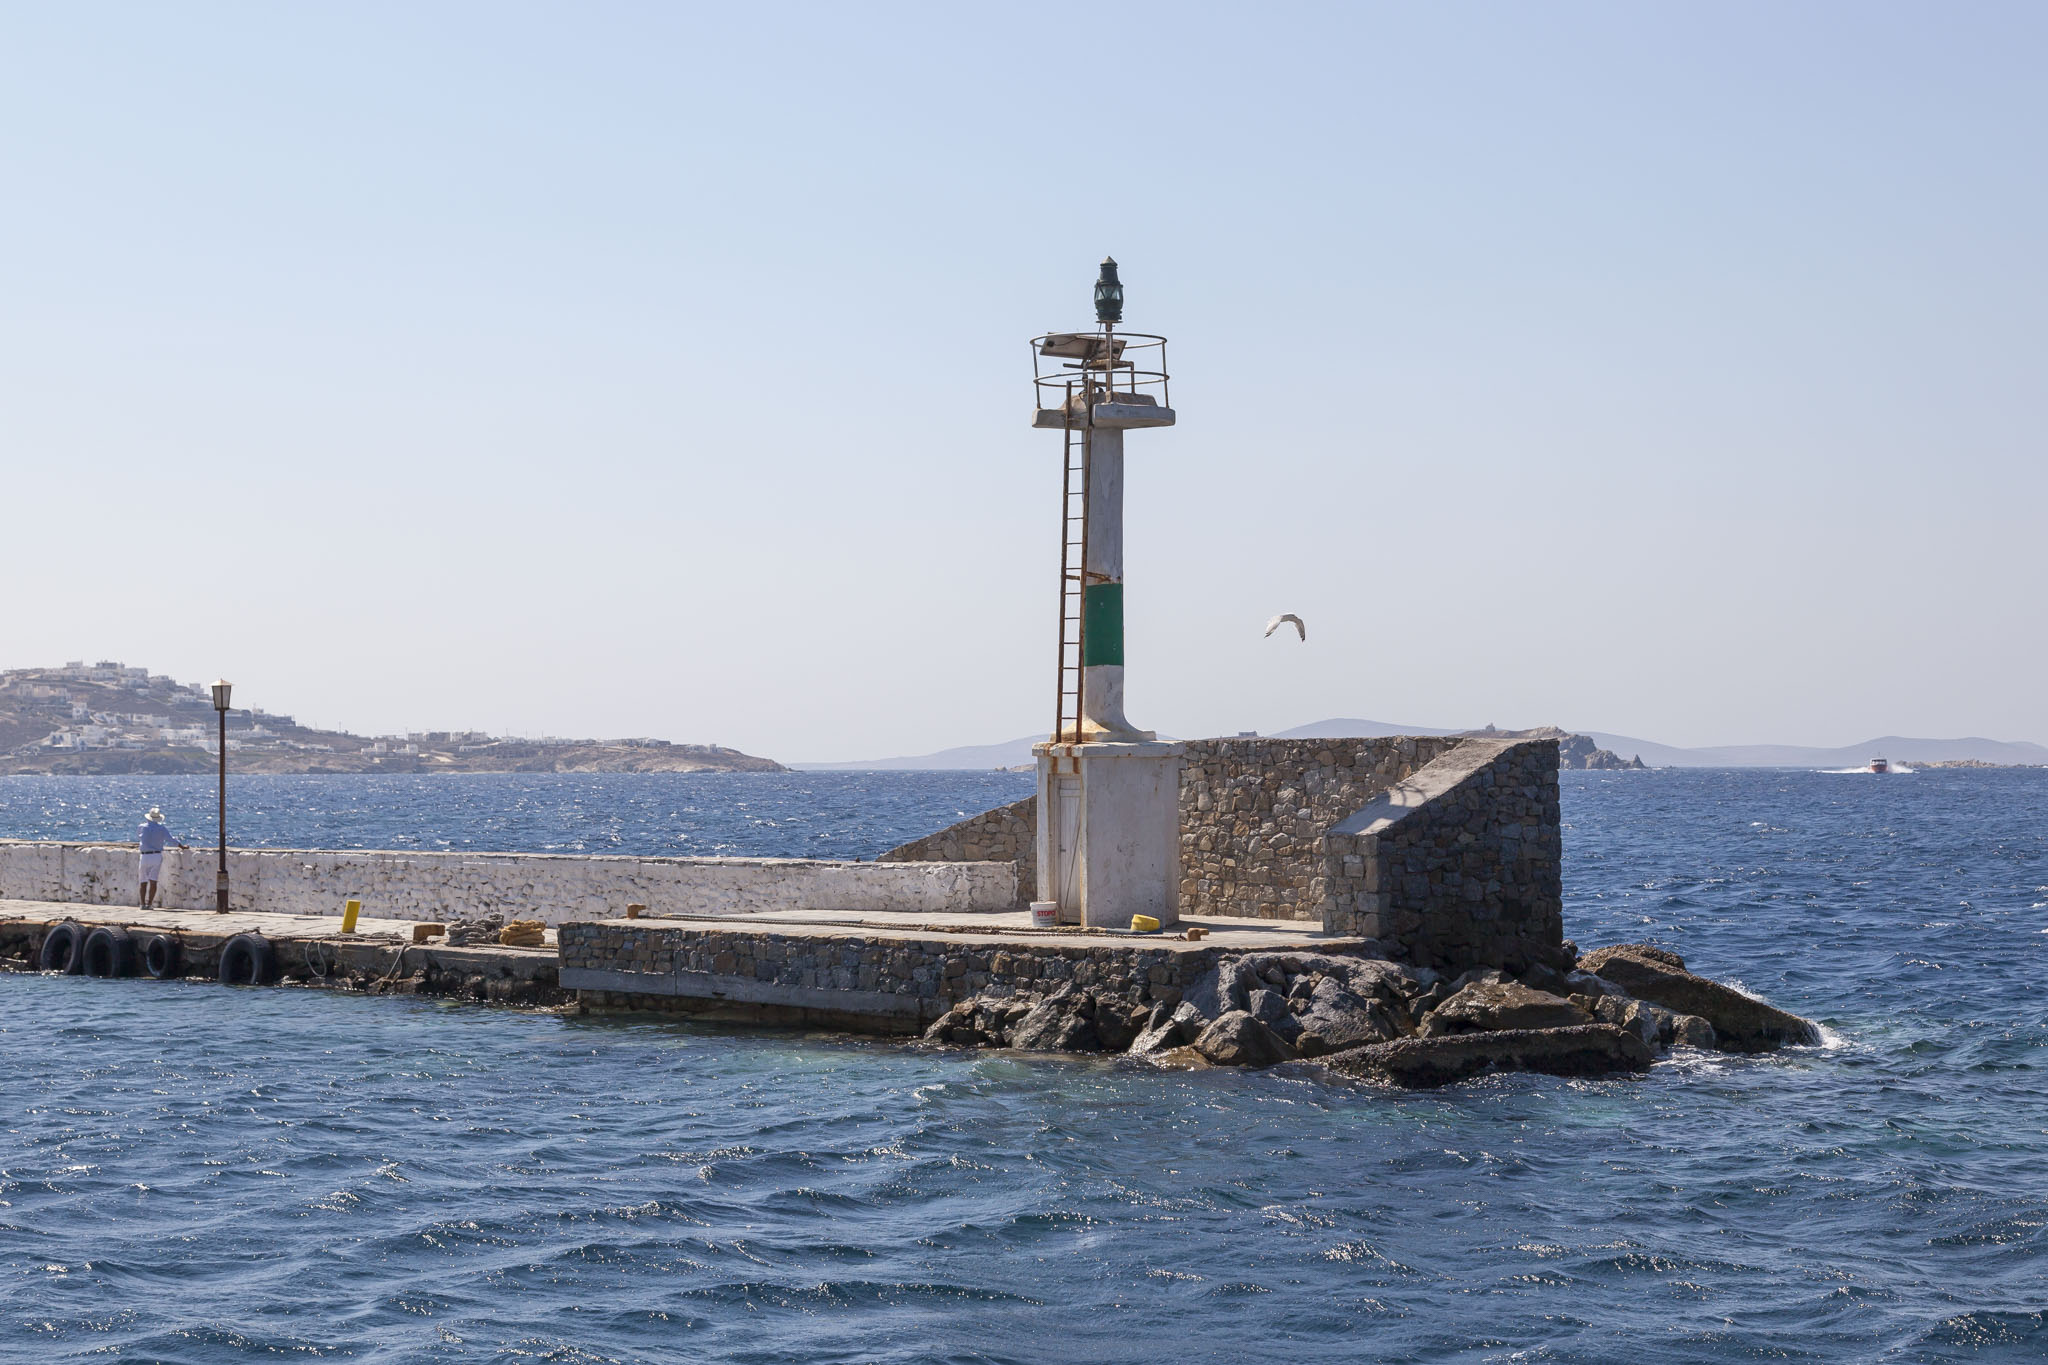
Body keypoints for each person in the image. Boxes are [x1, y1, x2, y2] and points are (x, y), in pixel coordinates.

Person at [138, 806, 188, 909]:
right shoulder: (161, 828)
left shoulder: (141, 827)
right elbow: (171, 840)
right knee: (153, 881)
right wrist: (182, 846)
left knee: (143, 881)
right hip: (156, 855)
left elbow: (140, 837)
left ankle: (142, 904)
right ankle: (150, 904)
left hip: (144, 856)